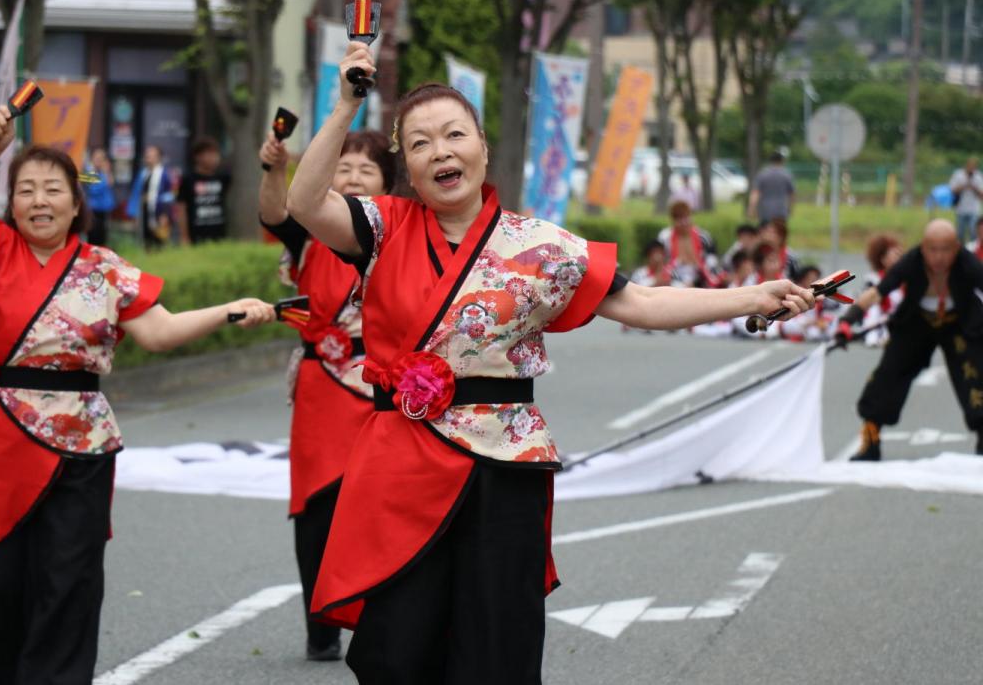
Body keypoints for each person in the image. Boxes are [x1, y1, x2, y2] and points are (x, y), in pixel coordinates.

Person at [284, 41, 815, 684]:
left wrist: (753, 295)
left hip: (503, 465)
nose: (441, 151)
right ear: (408, 167)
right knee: (395, 649)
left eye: (455, 134)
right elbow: (307, 204)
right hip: (402, 458)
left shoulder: (541, 246)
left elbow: (642, 301)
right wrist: (346, 103)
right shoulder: (384, 226)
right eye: (420, 143)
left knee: (496, 645)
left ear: (483, 145)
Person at [0, 105, 274, 685]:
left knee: (68, 582)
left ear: (75, 203)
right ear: (10, 203)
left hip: (81, 446)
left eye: (53, 189)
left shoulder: (103, 268)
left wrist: (229, 311)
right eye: (26, 189)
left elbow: (158, 332)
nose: (39, 200)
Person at [259, 128, 395, 663]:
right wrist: (274, 170)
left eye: (367, 169)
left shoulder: (400, 231)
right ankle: (322, 625)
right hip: (321, 387)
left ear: (387, 181)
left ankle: (380, 619)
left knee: (381, 505)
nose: (355, 176)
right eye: (344, 167)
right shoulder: (310, 232)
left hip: (387, 380)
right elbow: (273, 214)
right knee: (318, 507)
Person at [837, 219, 983, 461]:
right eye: (933, 249)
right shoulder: (911, 262)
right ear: (923, 247)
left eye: (945, 249)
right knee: (888, 372)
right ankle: (870, 441)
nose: (939, 257)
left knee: (977, 373)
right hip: (917, 321)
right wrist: (847, 322)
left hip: (960, 321)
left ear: (956, 248)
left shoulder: (967, 263)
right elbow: (878, 291)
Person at [178, 136, 231, 244]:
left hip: (220, 235)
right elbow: (181, 207)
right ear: (198, 157)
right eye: (210, 154)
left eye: (216, 154)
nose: (215, 158)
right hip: (196, 236)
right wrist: (184, 236)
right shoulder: (188, 179)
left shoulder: (223, 178)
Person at [657, 200, 721, 287]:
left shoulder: (703, 237)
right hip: (675, 278)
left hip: (700, 277)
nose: (683, 222)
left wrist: (700, 266)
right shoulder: (665, 237)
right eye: (679, 218)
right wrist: (677, 263)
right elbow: (661, 263)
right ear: (673, 220)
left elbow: (712, 260)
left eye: (686, 217)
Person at [127, 145, 174, 250]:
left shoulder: (164, 174)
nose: (148, 158)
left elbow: (168, 196)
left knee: (159, 241)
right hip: (144, 211)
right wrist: (133, 212)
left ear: (158, 158)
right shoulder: (143, 173)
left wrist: (165, 214)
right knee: (146, 240)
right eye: (147, 156)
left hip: (158, 212)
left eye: (151, 156)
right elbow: (136, 193)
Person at [862, 233, 904, 347]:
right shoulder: (874, 279)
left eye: (900, 255)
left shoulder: (905, 279)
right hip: (881, 320)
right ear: (883, 259)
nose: (899, 258)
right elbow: (871, 307)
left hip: (899, 319)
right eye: (895, 255)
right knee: (874, 307)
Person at [748, 150, 794, 223]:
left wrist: (752, 208)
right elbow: (791, 194)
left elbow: (755, 193)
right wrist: (790, 208)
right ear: (782, 161)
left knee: (764, 232)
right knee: (779, 232)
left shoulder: (762, 174)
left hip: (765, 211)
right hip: (781, 210)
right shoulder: (786, 175)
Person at [84, 148, 115, 248]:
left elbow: (110, 185)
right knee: (93, 237)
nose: (99, 161)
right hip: (92, 209)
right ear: (92, 158)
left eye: (102, 158)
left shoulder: (102, 172)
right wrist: (105, 180)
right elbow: (93, 189)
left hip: (104, 209)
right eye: (97, 158)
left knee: (102, 237)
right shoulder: (87, 171)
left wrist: (107, 174)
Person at [949, 157, 983, 244]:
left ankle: (973, 250)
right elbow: (952, 190)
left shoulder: (978, 177)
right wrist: (964, 186)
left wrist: (974, 187)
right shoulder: (958, 175)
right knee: (960, 233)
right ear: (966, 166)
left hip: (974, 209)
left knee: (973, 232)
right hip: (961, 209)